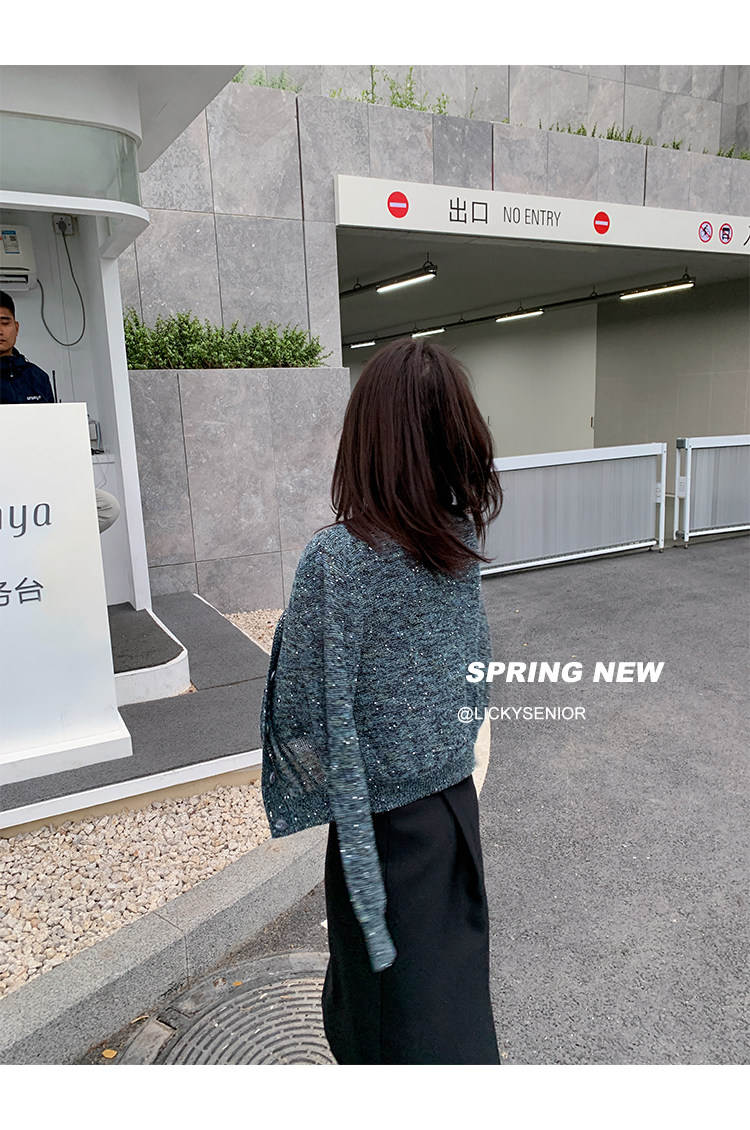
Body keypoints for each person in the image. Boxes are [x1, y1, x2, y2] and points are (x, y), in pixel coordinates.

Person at [261, 337, 503, 1065]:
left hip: (382, 827)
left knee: (384, 1020)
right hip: (453, 810)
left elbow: (300, 707)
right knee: (449, 1000)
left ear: (367, 440)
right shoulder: (457, 538)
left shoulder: (338, 557)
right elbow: (475, 670)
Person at [0, 290, 120, 534]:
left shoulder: (38, 378)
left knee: (108, 507)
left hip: (41, 476)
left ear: (16, 327)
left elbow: (53, 435)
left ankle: (47, 539)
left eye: (5, 322)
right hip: (4, 482)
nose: (0, 330)